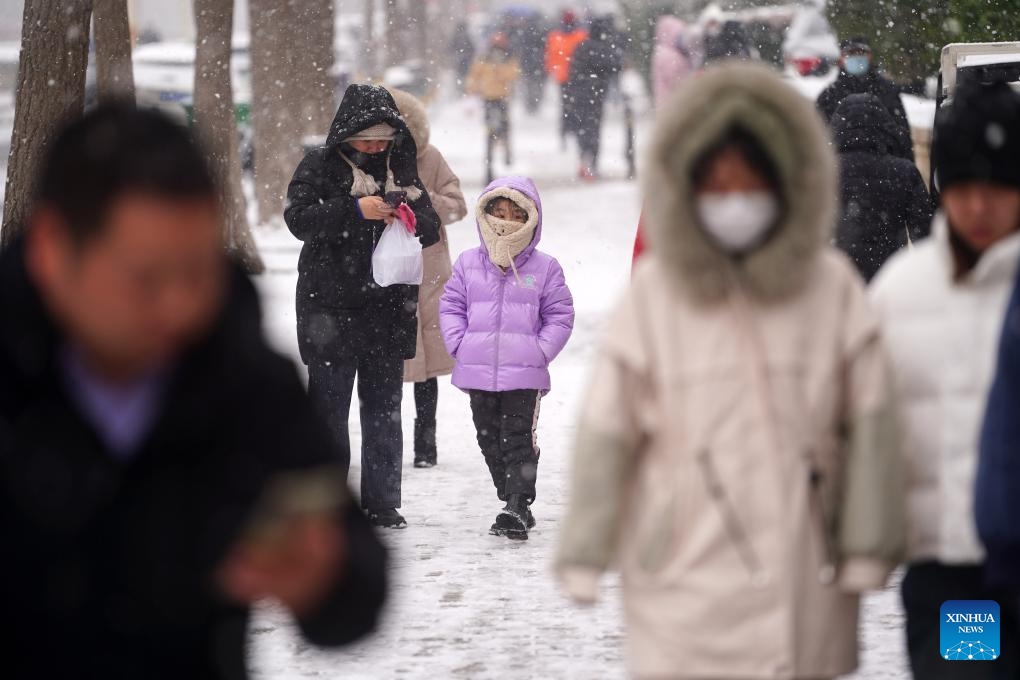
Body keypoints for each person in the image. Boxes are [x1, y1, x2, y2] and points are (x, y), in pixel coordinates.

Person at [0, 104, 387, 679]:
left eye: (196, 270)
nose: (179, 307)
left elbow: (353, 581)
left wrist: (325, 580)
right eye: (146, 278)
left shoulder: (243, 379)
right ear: (54, 251)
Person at [556, 63, 904, 679]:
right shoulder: (658, 298)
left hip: (806, 580)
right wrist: (587, 545)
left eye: (751, 184)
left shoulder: (830, 292)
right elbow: (609, 428)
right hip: (681, 577)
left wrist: (868, 541)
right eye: (718, 185)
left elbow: (872, 423)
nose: (734, 200)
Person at [871, 80, 1020, 680]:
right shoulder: (902, 291)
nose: (979, 208)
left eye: (999, 188)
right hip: (957, 580)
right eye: (963, 189)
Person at [286, 84, 441, 530]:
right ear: (346, 133)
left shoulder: (401, 169)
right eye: (366, 139)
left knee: (383, 412)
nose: (375, 148)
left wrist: (408, 214)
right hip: (328, 307)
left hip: (387, 309)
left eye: (383, 139)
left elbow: (429, 228)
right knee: (328, 413)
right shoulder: (318, 165)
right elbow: (299, 220)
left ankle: (382, 502)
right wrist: (357, 211)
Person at [439, 176, 574, 541]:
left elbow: (560, 315)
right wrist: (460, 344)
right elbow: (451, 305)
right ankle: (511, 498)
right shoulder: (469, 263)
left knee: (516, 438)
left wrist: (539, 351)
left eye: (516, 214)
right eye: (499, 212)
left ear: (530, 219)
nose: (506, 221)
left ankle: (517, 503)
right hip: (478, 370)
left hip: (525, 375)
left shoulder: (545, 268)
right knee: (489, 438)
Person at [386, 88, 468, 469]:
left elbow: (458, 206)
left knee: (427, 363)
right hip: (386, 267)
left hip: (429, 267)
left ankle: (425, 443)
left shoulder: (430, 158)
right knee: (387, 362)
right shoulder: (367, 161)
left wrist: (424, 197)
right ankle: (387, 442)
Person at [833, 93, 932, 281]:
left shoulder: (823, 173)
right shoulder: (904, 172)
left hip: (837, 283)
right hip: (890, 279)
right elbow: (925, 237)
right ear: (885, 126)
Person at [817, 37, 912, 160]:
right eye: (851, 53)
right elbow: (817, 137)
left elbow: (902, 135)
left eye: (861, 52)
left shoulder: (887, 90)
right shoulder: (829, 96)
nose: (857, 57)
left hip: (884, 168)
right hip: (839, 169)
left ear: (870, 56)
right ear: (841, 59)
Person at [565, 16, 623, 181]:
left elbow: (572, 70)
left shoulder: (581, 46)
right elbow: (615, 66)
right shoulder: (602, 49)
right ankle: (592, 163)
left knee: (582, 128)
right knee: (593, 129)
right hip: (595, 95)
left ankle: (583, 158)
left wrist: (572, 91)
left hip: (579, 95)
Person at [466, 33, 520, 184]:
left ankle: (507, 150)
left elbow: (513, 75)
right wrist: (471, 92)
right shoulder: (484, 58)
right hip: (489, 99)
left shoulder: (509, 58)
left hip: (502, 99)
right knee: (490, 135)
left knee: (505, 128)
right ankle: (489, 169)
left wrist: (499, 70)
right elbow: (474, 76)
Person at [545, 9, 588, 147]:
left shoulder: (555, 37)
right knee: (575, 105)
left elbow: (551, 56)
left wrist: (551, 70)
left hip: (564, 76)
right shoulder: (581, 35)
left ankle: (566, 130)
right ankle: (573, 130)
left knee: (566, 105)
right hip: (575, 76)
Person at [651, 15, 693, 108]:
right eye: (679, 34)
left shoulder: (663, 50)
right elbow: (676, 80)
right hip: (673, 104)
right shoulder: (668, 54)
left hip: (667, 102)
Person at [450, 21, 476, 91]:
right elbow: (472, 48)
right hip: (465, 60)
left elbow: (450, 48)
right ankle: (464, 89)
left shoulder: (456, 36)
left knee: (459, 76)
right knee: (465, 75)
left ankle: (459, 89)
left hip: (459, 59)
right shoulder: (467, 36)